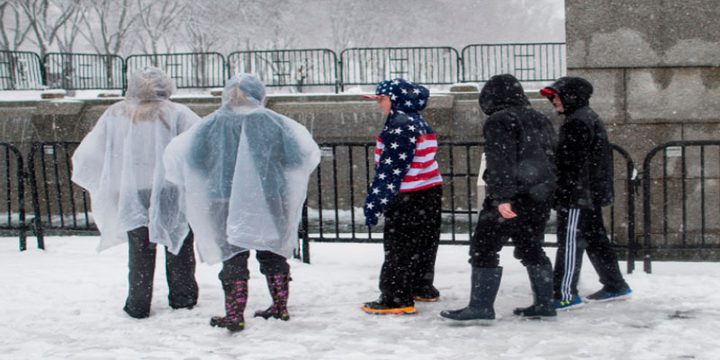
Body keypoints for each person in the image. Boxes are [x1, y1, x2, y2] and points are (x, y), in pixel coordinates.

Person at [158, 74, 320, 332]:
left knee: (233, 255)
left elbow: (193, 159)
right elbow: (297, 157)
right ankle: (280, 306)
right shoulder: (274, 122)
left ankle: (234, 314)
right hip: (269, 197)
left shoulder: (211, 124)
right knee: (272, 251)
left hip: (222, 197)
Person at [71, 67, 200, 319]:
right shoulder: (177, 113)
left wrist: (109, 177)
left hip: (131, 189)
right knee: (178, 241)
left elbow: (90, 152)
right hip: (169, 188)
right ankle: (182, 297)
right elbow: (199, 145)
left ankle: (138, 302)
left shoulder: (115, 113)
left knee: (140, 246)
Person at [440, 74, 558, 324]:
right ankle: (545, 304)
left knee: (484, 249)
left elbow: (500, 161)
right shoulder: (540, 118)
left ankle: (481, 307)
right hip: (538, 196)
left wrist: (502, 198)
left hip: (511, 197)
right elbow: (551, 158)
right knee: (531, 247)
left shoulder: (499, 120)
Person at [539, 76, 632, 310]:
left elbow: (570, 163)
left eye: (556, 96)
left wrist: (560, 190)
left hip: (576, 195)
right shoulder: (586, 118)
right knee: (595, 240)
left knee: (570, 242)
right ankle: (615, 284)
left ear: (571, 97)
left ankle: (565, 294)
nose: (553, 101)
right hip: (587, 193)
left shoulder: (576, 122)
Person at [361, 78, 443, 315]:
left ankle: (396, 297)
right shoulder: (418, 120)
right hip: (429, 189)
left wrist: (374, 203)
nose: (379, 104)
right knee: (424, 242)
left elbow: (391, 169)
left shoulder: (399, 124)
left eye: (382, 99)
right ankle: (422, 285)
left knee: (399, 246)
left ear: (395, 100)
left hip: (407, 194)